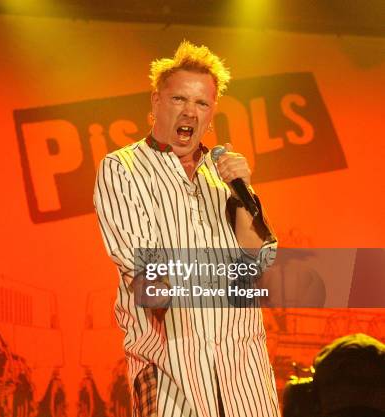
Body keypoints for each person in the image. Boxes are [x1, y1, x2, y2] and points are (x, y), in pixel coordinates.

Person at [94, 40, 279, 417]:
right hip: (170, 373)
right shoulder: (122, 169)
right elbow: (149, 278)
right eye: (180, 99)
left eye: (202, 103)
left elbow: (260, 261)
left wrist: (241, 192)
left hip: (244, 373)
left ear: (212, 113)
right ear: (156, 101)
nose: (190, 113)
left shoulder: (225, 174)